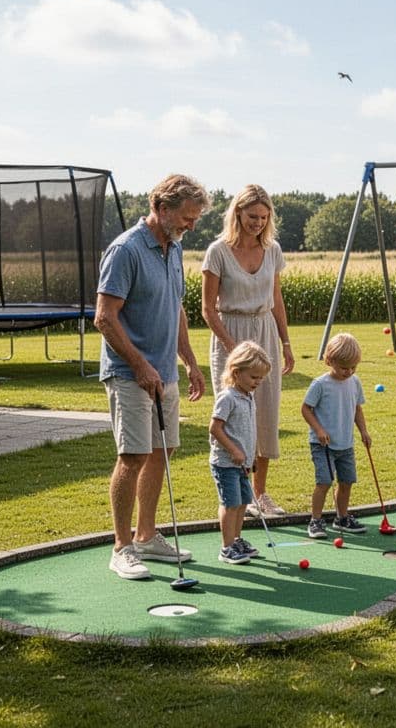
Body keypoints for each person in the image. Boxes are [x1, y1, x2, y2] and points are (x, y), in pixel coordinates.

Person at [95, 173, 209, 581]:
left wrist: (191, 361)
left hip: (164, 371)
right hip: (129, 373)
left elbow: (175, 308)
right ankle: (122, 547)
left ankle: (146, 536)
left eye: (195, 219)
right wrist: (140, 365)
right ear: (161, 208)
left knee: (164, 451)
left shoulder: (173, 248)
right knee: (133, 456)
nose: (190, 227)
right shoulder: (125, 250)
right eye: (185, 218)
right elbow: (105, 319)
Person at [201, 184, 294, 517]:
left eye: (263, 217)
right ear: (237, 213)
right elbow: (208, 309)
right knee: (234, 416)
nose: (257, 222)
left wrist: (285, 343)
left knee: (265, 414)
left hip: (264, 330)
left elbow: (277, 300)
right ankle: (234, 496)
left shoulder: (272, 250)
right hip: (231, 334)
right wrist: (233, 347)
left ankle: (260, 493)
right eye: (252, 215)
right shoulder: (218, 251)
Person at [300, 332, 371, 540]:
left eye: (353, 367)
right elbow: (305, 409)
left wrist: (364, 431)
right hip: (322, 444)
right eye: (344, 367)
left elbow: (357, 408)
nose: (348, 372)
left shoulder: (354, 382)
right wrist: (319, 430)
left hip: (345, 443)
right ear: (329, 361)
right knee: (324, 482)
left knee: (347, 481)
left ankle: (342, 517)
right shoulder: (320, 384)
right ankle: (315, 520)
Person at [209, 341, 272, 566]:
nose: (258, 382)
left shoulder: (248, 396)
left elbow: (248, 429)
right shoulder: (227, 398)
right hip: (226, 462)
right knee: (230, 503)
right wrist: (234, 450)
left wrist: (251, 454)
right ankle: (226, 547)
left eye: (260, 378)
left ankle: (236, 540)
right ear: (236, 372)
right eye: (254, 377)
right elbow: (215, 428)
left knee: (243, 501)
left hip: (243, 462)